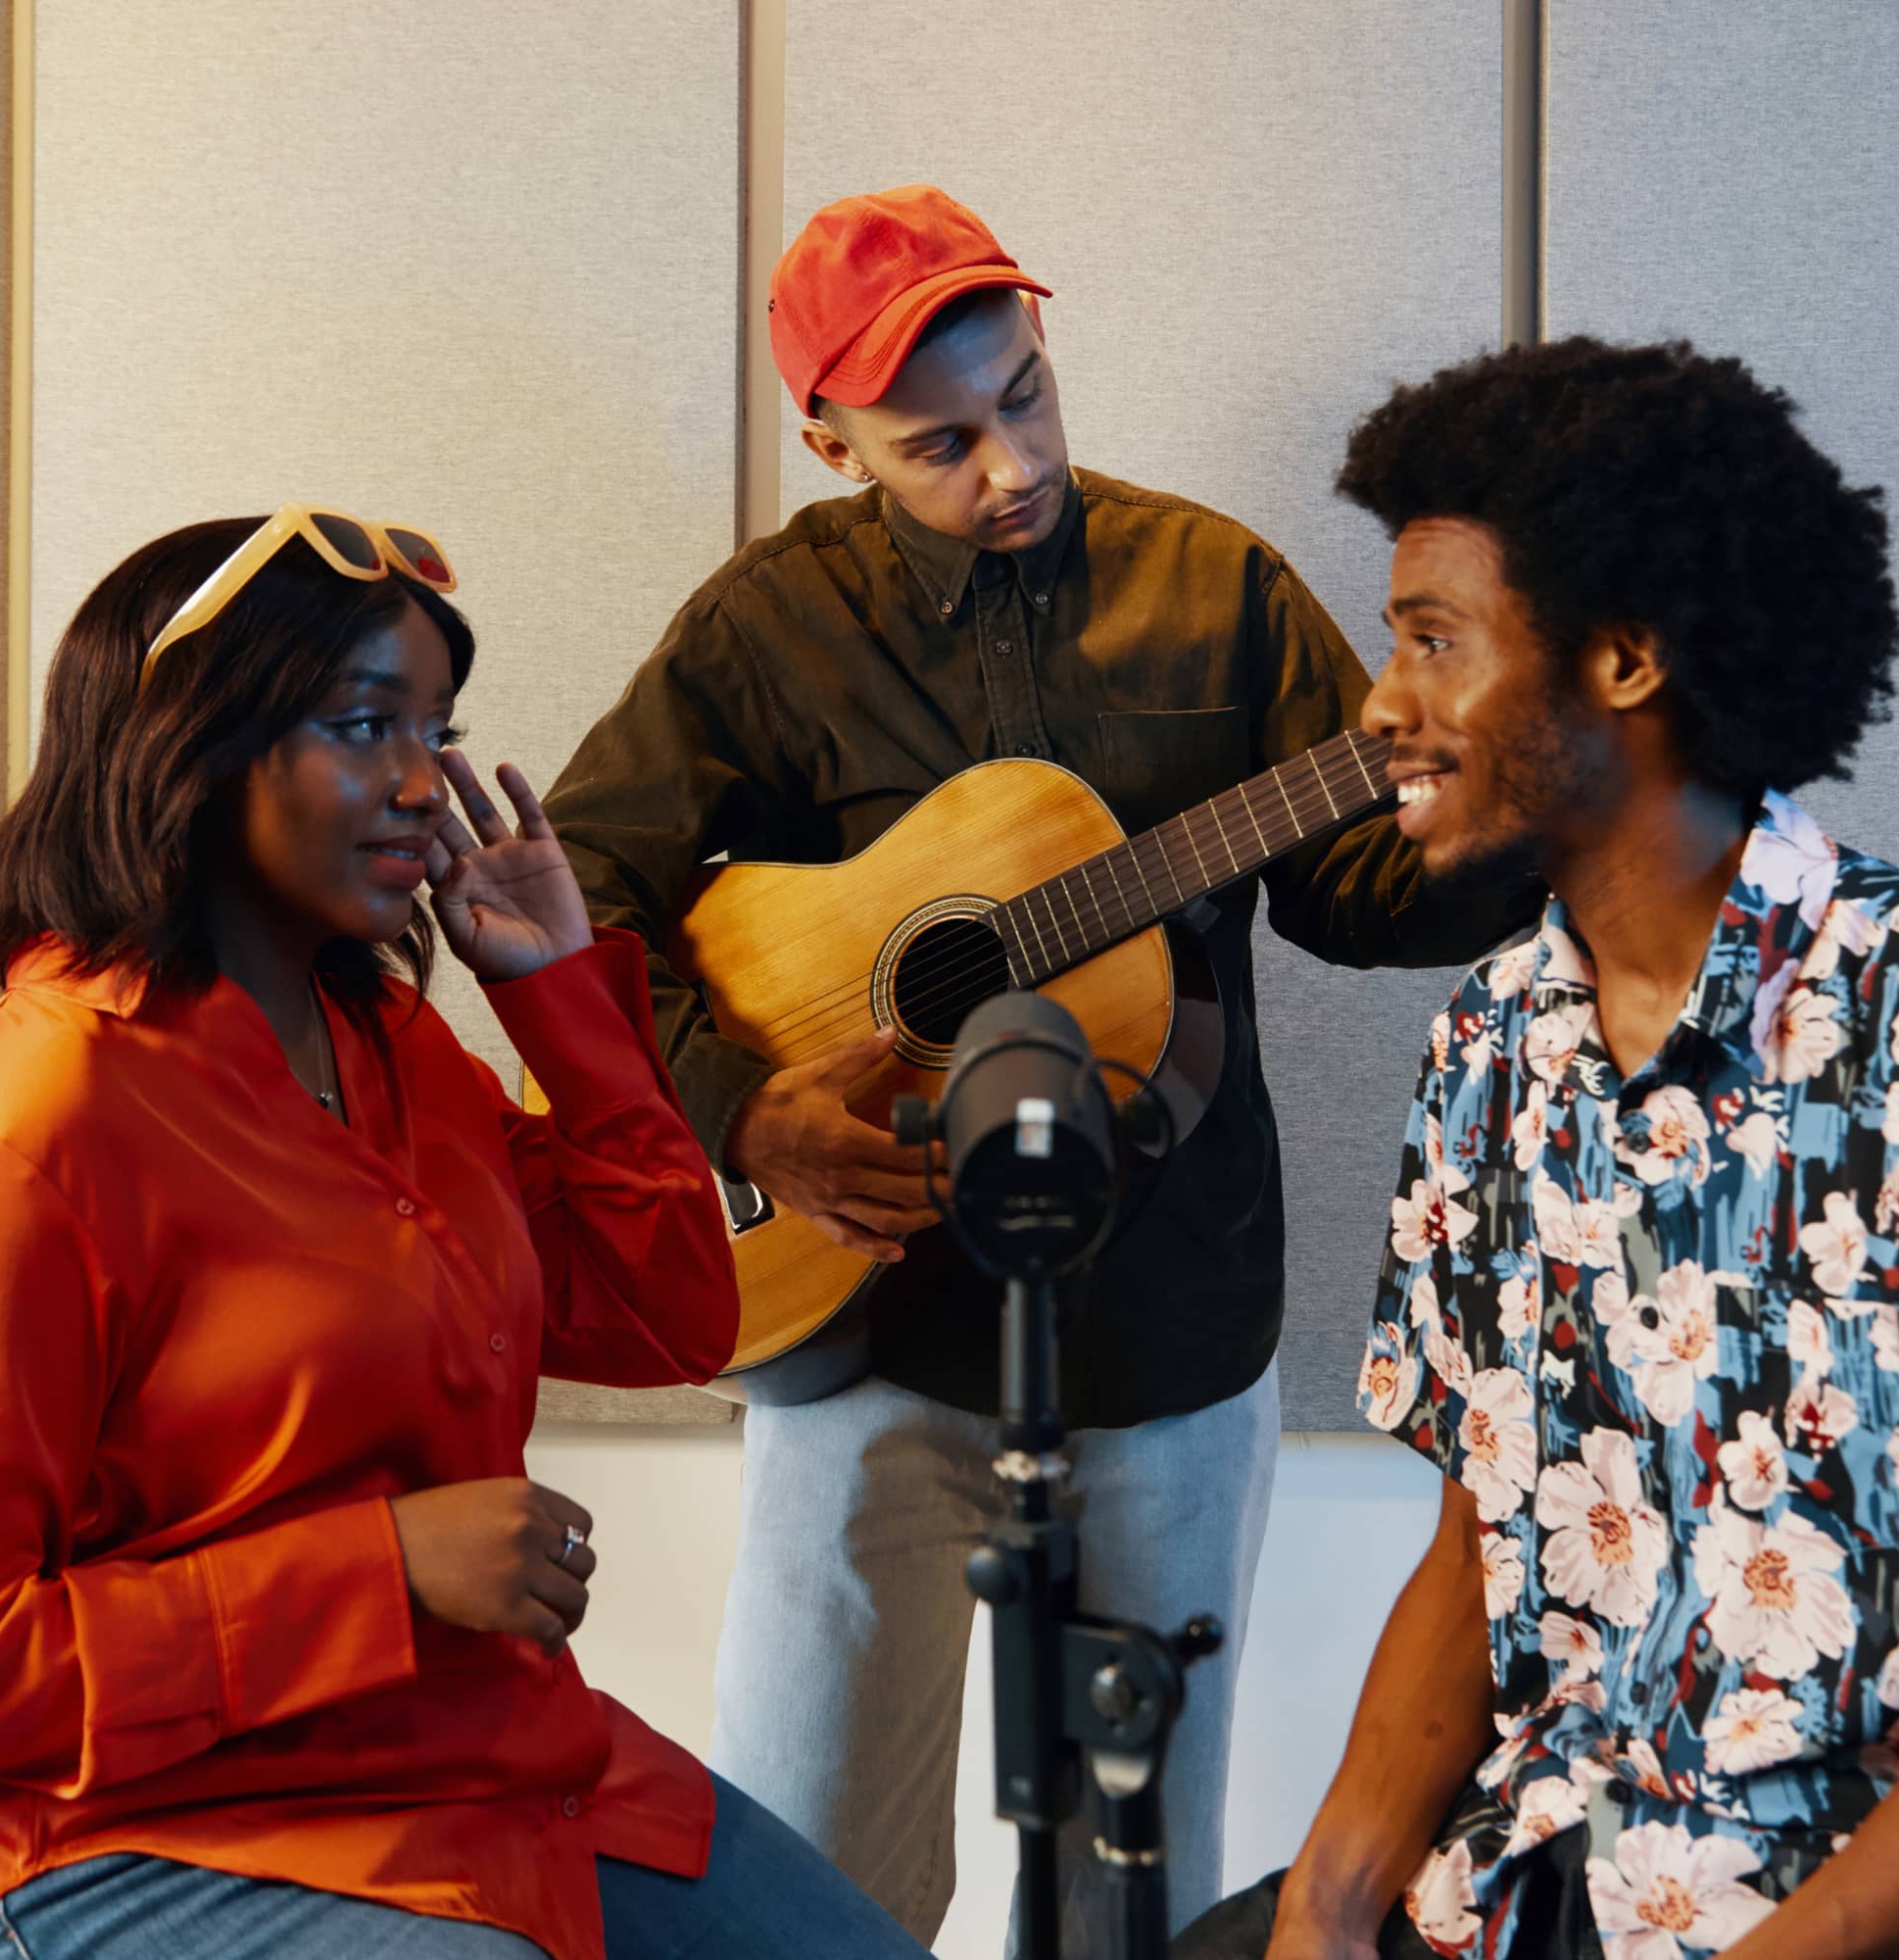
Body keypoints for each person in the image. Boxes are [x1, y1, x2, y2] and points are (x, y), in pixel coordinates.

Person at [543, 184, 1534, 1949]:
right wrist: (745, 1104)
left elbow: (1359, 898)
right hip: (865, 1340)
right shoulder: (769, 628)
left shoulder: (1218, 588)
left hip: (1168, 1329)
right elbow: (584, 885)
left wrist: (1518, 814)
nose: (1008, 462)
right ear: (829, 439)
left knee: (1117, 1897)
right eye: (938, 443)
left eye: (1028, 396)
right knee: (810, 1884)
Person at [0, 508, 931, 1960]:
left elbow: (664, 1317)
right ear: (192, 746)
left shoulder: (392, 1044)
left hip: (479, 1769)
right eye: (363, 726)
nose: (423, 784)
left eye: (435, 730)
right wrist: (380, 1569)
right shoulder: (30, 1127)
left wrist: (561, 1003)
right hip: (127, 1832)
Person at [1174, 337, 1899, 1960]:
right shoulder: (1494, 1044)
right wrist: (1326, 1904)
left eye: (1436, 640)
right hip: (1539, 1863)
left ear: (1626, 662)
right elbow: (1483, 1528)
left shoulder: (1892, 1022)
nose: (1383, 704)